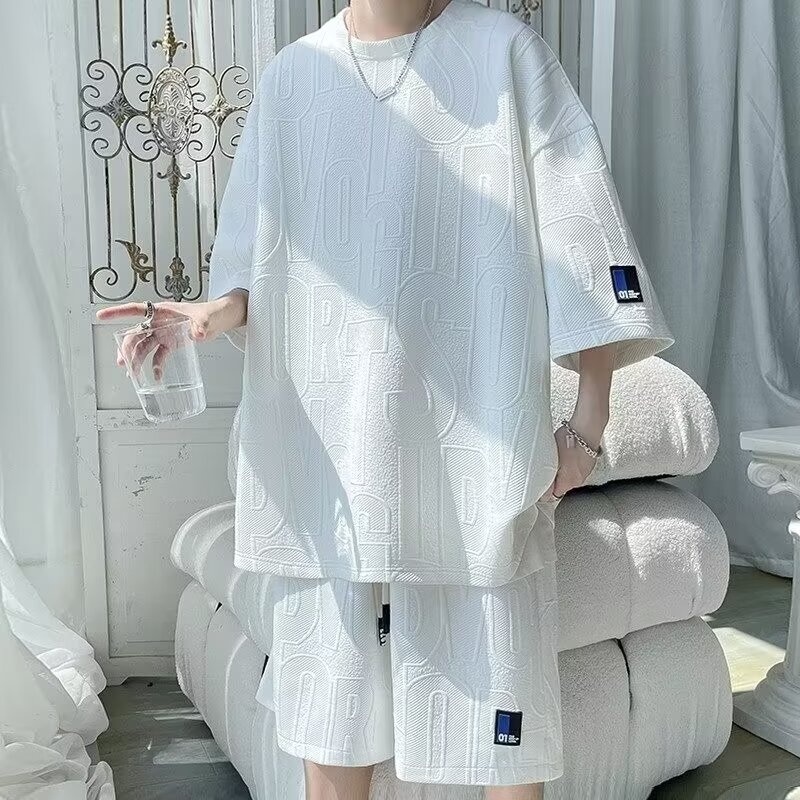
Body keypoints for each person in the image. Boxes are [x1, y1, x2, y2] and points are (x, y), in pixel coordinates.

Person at [98, 1, 673, 797]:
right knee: (332, 731)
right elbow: (252, 263)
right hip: (329, 471)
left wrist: (588, 423)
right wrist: (207, 314)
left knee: (504, 737)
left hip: (474, 464)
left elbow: (583, 237)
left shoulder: (505, 53)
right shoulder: (295, 77)